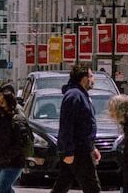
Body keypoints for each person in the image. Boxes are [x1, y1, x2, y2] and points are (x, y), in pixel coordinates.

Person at [52, 65, 101, 193]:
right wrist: (68, 151)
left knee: (62, 185)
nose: (93, 79)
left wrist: (93, 147)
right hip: (79, 151)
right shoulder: (74, 95)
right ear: (83, 78)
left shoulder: (81, 94)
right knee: (92, 188)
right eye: (91, 76)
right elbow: (66, 125)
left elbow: (84, 125)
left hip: (83, 148)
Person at [0, 85, 33, 193]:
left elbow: (20, 144)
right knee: (4, 188)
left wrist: (6, 157)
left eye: (2, 102)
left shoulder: (17, 119)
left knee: (1, 188)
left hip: (13, 163)